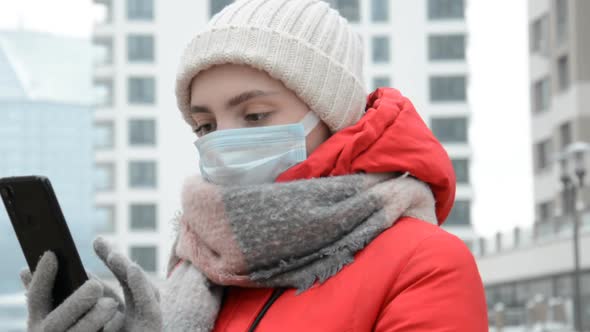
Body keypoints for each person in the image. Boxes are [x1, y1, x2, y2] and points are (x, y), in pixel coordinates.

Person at [20, 0, 488, 331]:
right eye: (205, 125)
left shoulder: (423, 264)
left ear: (331, 116)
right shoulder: (199, 263)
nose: (223, 141)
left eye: (255, 115)